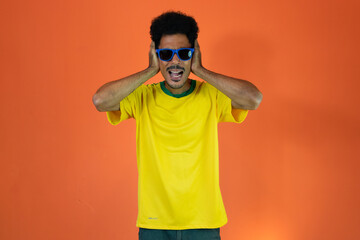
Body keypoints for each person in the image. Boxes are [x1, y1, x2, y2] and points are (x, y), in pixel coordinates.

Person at [92, 11, 262, 240]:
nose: (175, 62)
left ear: (194, 53)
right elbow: (101, 101)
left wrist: (200, 70)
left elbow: (253, 99)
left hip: (204, 222)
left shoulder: (211, 95)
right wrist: (150, 70)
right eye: (166, 54)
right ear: (155, 54)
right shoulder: (142, 97)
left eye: (183, 53)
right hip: (155, 224)